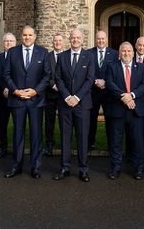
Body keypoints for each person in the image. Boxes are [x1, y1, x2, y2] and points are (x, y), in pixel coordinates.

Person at [3, 25, 51, 179]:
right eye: (24, 35)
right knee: (18, 135)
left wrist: (35, 91)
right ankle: (16, 167)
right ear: (21, 36)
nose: (27, 37)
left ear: (35, 36)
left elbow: (47, 76)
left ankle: (35, 168)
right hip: (17, 100)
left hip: (36, 100)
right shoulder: (12, 52)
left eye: (30, 35)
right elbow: (7, 74)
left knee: (36, 135)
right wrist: (15, 91)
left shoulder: (43, 53)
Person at [53, 28, 95, 181]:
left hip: (82, 104)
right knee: (65, 137)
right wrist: (67, 96)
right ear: (69, 39)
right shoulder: (62, 56)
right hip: (65, 104)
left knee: (82, 138)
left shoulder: (89, 56)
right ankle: (65, 168)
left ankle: (83, 169)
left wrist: (76, 97)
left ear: (82, 39)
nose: (75, 40)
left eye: (78, 37)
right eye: (73, 37)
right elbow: (58, 78)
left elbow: (90, 80)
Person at [104, 42, 144, 180]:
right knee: (116, 141)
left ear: (133, 53)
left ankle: (138, 168)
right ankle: (115, 168)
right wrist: (124, 96)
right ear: (119, 53)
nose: (126, 53)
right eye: (124, 51)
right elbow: (110, 84)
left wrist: (132, 95)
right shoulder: (112, 66)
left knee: (137, 141)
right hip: (117, 110)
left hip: (136, 110)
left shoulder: (141, 67)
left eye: (129, 51)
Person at [87, 30, 117, 152]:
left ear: (106, 39)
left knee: (110, 119)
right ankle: (90, 144)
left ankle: (111, 145)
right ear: (95, 40)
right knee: (91, 118)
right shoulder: (89, 53)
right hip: (93, 92)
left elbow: (115, 71)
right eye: (98, 39)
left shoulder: (114, 53)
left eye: (103, 39)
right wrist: (95, 81)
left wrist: (105, 81)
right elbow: (87, 71)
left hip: (108, 92)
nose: (100, 41)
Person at [0, 32, 16, 158]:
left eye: (11, 41)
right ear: (3, 43)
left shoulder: (20, 58)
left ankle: (17, 147)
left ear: (15, 43)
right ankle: (3, 147)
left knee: (18, 124)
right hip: (1, 97)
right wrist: (4, 88)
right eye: (6, 41)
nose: (8, 43)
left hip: (16, 97)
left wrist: (10, 89)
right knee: (1, 124)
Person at [44, 33, 64, 156]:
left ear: (63, 42)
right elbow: (45, 73)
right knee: (49, 121)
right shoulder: (47, 56)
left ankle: (64, 144)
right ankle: (49, 144)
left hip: (63, 95)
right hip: (50, 94)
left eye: (59, 40)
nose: (57, 43)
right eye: (55, 40)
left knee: (64, 121)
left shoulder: (67, 56)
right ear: (53, 42)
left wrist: (61, 87)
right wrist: (53, 85)